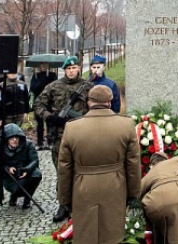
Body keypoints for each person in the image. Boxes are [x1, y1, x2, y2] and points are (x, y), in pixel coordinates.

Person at [57, 85, 141, 244]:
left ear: (89, 102)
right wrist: (133, 192)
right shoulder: (126, 125)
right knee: (112, 235)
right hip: (114, 186)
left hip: (83, 187)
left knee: (86, 235)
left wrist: (64, 198)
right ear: (110, 102)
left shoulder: (72, 127)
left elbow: (64, 168)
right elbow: (133, 163)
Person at [33, 56, 91, 222]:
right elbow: (38, 105)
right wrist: (50, 117)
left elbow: (96, 107)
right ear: (64, 70)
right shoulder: (53, 86)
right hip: (60, 136)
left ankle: (81, 203)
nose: (71, 71)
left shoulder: (88, 87)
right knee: (62, 172)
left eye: (74, 68)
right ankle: (63, 205)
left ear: (79, 68)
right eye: (68, 69)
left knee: (82, 170)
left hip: (82, 136)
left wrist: (84, 118)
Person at [0, 123, 42, 208]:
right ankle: (14, 196)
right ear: (7, 139)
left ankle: (27, 199)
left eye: (17, 137)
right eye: (12, 138)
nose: (15, 140)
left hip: (25, 173)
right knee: (18, 189)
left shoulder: (28, 145)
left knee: (36, 174)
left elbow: (34, 160)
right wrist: (8, 168)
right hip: (10, 178)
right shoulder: (1, 149)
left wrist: (27, 169)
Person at [29, 63, 57, 150]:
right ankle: (40, 143)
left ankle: (50, 142)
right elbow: (32, 88)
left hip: (49, 102)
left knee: (50, 122)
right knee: (40, 123)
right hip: (39, 103)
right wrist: (41, 83)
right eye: (42, 65)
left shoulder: (52, 75)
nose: (44, 66)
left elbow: (55, 87)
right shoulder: (36, 76)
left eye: (45, 64)